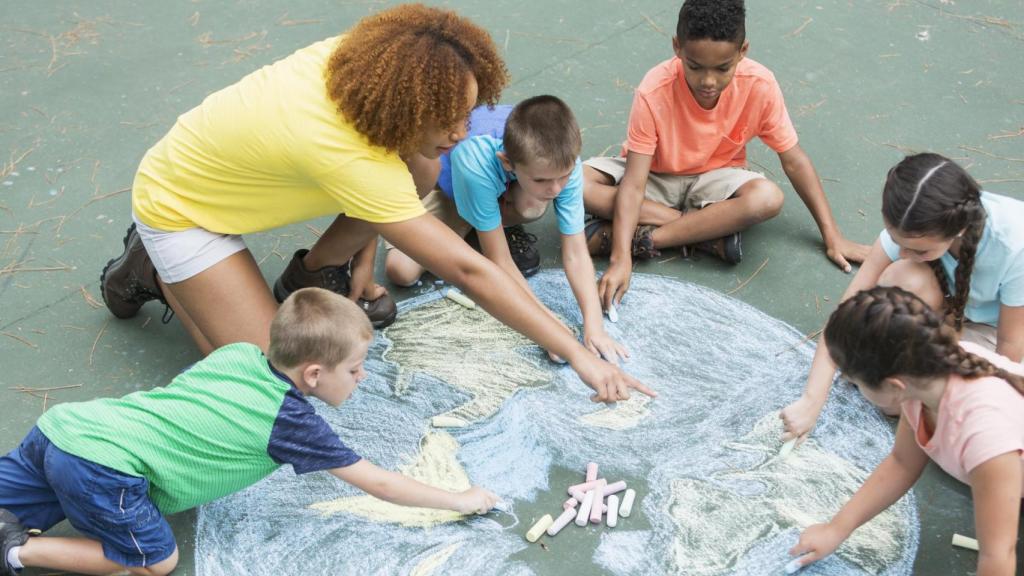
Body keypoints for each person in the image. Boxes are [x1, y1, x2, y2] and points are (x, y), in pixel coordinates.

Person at [98, 4, 652, 403]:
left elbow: (398, 187)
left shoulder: (369, 70)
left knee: (425, 167)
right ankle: (154, 267)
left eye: (467, 112)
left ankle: (313, 275)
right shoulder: (344, 153)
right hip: (182, 210)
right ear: (406, 110)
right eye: (448, 119)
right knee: (282, 383)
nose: (464, 132)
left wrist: (363, 273)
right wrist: (578, 352)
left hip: (232, 177)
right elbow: (467, 268)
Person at [0, 288, 498, 576]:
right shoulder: (291, 424)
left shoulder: (238, 354)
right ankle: (17, 551)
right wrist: (461, 500)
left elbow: (190, 412)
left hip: (67, 427)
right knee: (154, 560)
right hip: (102, 469)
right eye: (355, 368)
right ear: (313, 375)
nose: (362, 377)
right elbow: (380, 482)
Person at [581, 0, 868, 310]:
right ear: (677, 47)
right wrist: (619, 258)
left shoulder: (760, 84)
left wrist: (832, 235)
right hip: (655, 177)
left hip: (714, 184)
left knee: (767, 198)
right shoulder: (654, 89)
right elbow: (635, 182)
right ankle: (705, 233)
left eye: (722, 68)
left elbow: (794, 160)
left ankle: (651, 239)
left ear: (742, 51)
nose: (708, 81)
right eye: (695, 66)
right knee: (573, 182)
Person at [782, 153, 1024, 441]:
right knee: (901, 278)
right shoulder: (913, 223)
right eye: (897, 243)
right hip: (956, 312)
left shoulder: (1014, 243)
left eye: (919, 250)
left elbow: (1009, 347)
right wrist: (812, 400)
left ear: (958, 229)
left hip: (1003, 333)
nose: (904, 254)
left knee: (904, 395)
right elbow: (844, 316)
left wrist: (987, 409)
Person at [789, 286, 1022, 575]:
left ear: (893, 386)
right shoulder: (925, 379)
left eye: (856, 381)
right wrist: (836, 529)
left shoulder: (984, 437)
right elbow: (901, 463)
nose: (850, 383)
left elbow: (998, 555)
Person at [385, 96, 628, 362]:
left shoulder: (562, 161)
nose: (557, 188)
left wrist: (595, 328)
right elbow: (498, 259)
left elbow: (576, 253)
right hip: (451, 188)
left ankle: (488, 221)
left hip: (501, 188)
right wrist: (552, 331)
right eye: (543, 179)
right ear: (507, 163)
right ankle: (482, 224)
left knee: (533, 203)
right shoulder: (475, 160)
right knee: (401, 271)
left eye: (564, 176)